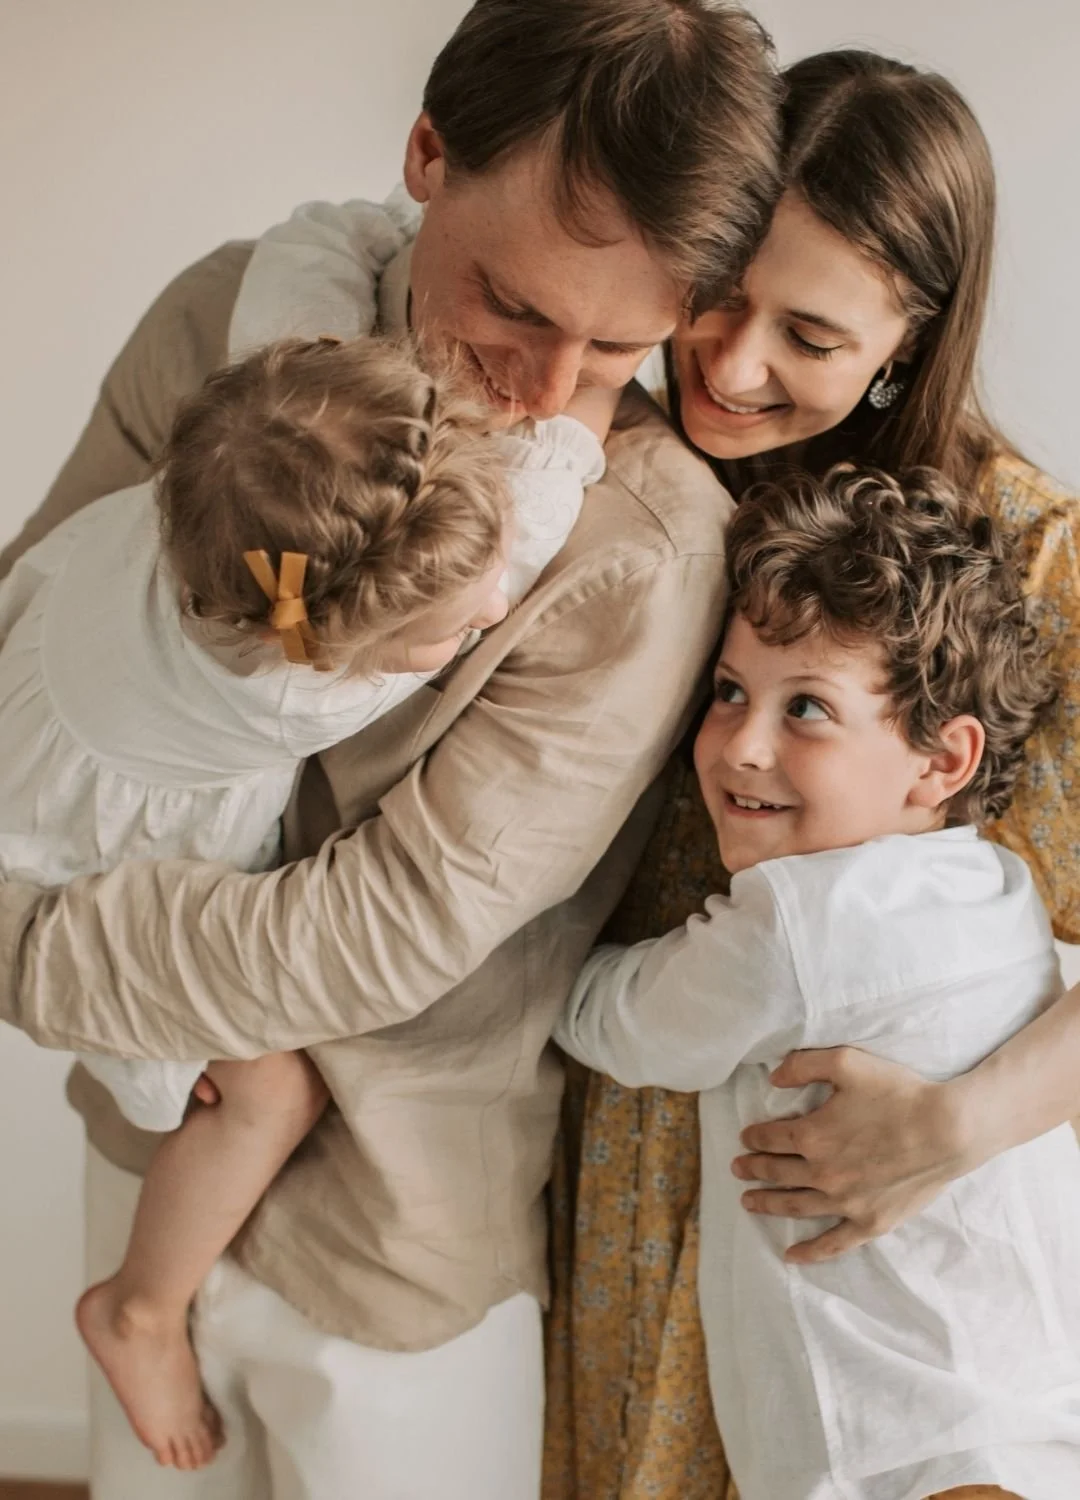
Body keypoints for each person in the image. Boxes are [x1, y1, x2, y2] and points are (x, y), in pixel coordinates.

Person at [0, 3, 780, 1497]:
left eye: (622, 346)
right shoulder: (224, 324)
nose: (548, 391)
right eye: (514, 306)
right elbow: (32, 630)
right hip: (149, 1136)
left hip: (392, 1237)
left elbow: (385, 929)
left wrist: (24, 946)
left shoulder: (640, 544)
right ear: (426, 154)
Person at [543, 49, 1080, 1500]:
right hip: (630, 1196)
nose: (728, 362)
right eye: (716, 290)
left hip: (889, 1258)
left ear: (906, 344)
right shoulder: (599, 481)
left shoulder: (1032, 565)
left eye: (811, 332)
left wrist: (955, 1124)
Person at [0, 330, 615, 1469]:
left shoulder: (191, 507)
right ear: (331, 647)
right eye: (449, 634)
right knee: (268, 1091)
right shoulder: (287, 691)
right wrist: (577, 434)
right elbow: (516, 551)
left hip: (33, 729)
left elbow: (303, 282)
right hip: (61, 851)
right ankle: (139, 1306)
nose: (487, 613)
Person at [558, 463, 1075, 1500]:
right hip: (1025, 1401)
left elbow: (611, 1021)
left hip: (893, 1437)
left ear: (942, 762)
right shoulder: (1001, 888)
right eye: (730, 693)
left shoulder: (803, 922)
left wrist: (557, 940)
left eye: (807, 709)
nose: (742, 747)